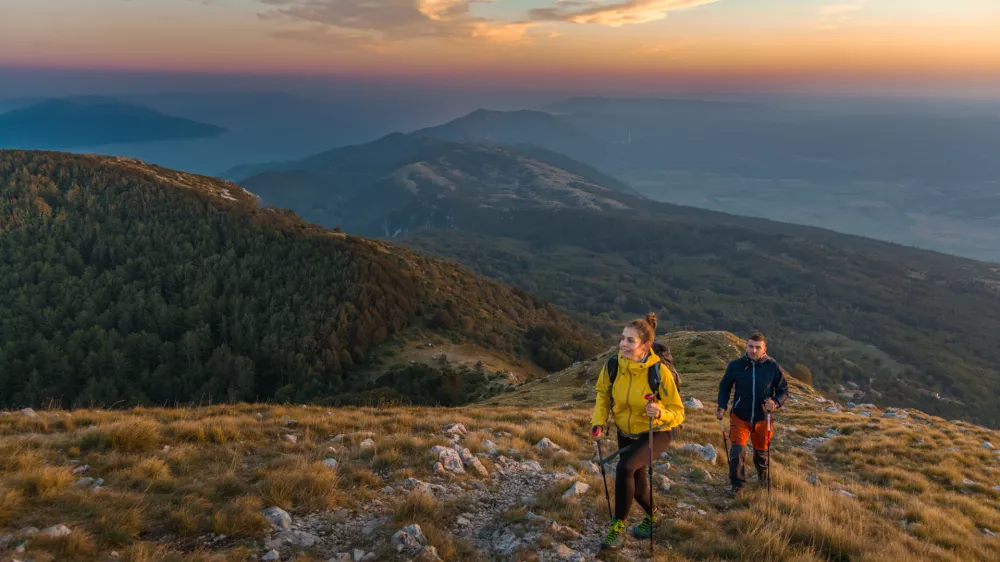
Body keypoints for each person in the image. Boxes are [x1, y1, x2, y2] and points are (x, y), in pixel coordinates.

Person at [590, 313, 685, 550]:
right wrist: (598, 422)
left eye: (630, 340)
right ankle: (653, 515)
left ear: (645, 345)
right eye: (623, 338)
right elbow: (603, 395)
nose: (622, 344)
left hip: (657, 431)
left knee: (624, 468)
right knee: (637, 482)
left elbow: (678, 412)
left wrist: (660, 412)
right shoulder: (613, 365)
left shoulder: (659, 372)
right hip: (625, 431)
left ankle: (618, 528)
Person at [716, 332, 788, 494]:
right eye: (750, 346)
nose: (753, 350)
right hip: (740, 416)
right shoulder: (735, 366)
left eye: (757, 347)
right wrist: (721, 406)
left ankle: (762, 474)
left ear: (764, 349)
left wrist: (775, 402)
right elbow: (724, 388)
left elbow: (783, 390)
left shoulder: (773, 367)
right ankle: (737, 485)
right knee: (737, 451)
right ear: (746, 346)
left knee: (761, 451)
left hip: (763, 417)